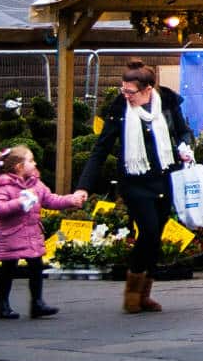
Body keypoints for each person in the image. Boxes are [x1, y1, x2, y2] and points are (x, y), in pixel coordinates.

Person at [78, 60, 195, 315]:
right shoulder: (120, 108)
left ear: (148, 89)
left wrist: (185, 147)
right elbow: (101, 148)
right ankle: (132, 290)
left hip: (164, 177)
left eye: (131, 92)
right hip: (134, 181)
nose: (126, 96)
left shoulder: (167, 103)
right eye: (124, 90)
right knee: (149, 231)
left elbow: (184, 132)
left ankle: (145, 293)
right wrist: (83, 186)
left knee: (156, 237)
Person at [0, 146, 88, 319]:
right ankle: (2, 305)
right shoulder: (3, 186)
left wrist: (71, 200)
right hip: (12, 235)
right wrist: (20, 202)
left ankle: (37, 302)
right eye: (31, 160)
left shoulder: (36, 184)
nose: (35, 163)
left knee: (36, 266)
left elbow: (50, 200)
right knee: (8, 270)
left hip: (31, 233)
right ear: (19, 166)